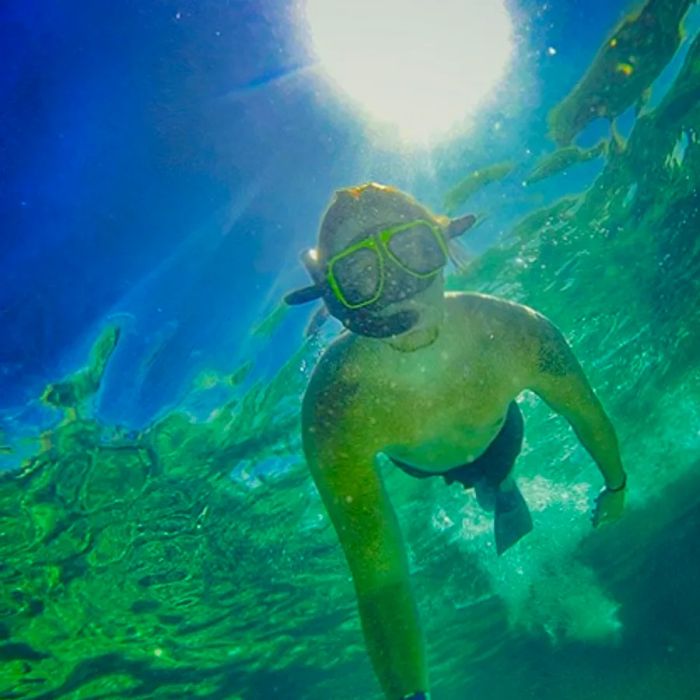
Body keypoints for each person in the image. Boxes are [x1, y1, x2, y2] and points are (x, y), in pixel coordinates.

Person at [285, 183, 627, 700]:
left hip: (499, 434)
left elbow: (587, 413)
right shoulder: (336, 406)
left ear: (443, 246)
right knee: (458, 477)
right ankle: (496, 490)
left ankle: (504, 487)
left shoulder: (520, 333)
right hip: (421, 462)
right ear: (337, 299)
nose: (398, 288)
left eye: (412, 251)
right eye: (359, 277)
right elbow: (380, 579)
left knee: (499, 475)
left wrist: (617, 484)